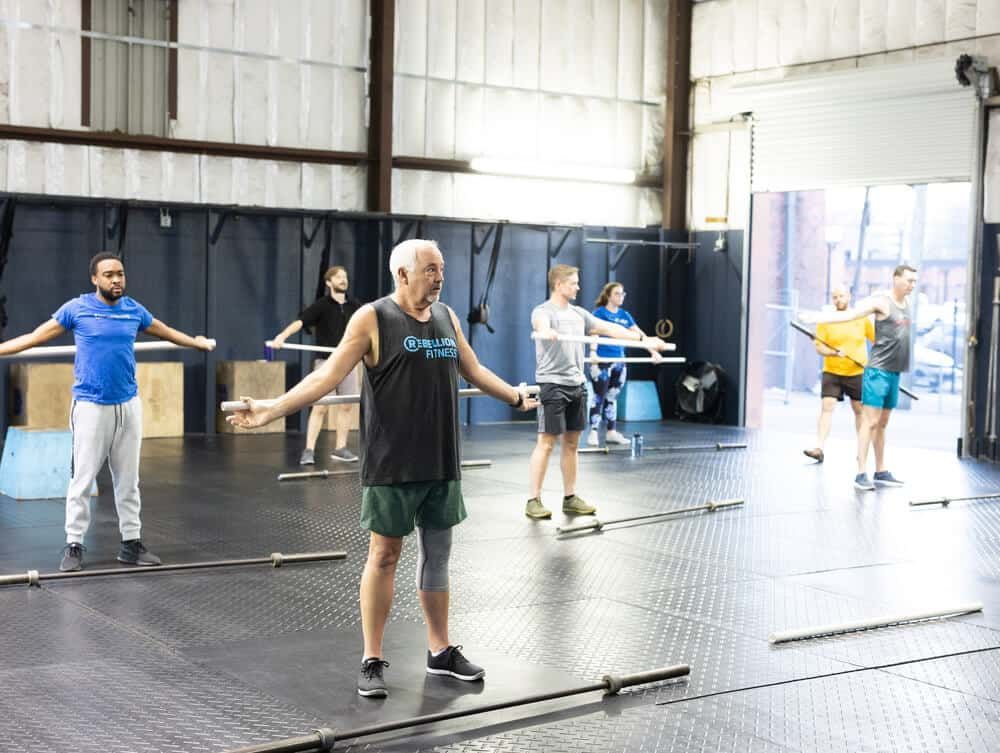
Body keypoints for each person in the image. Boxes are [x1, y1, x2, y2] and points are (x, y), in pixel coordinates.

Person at [227, 239, 537, 699]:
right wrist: (271, 410)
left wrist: (513, 395)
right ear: (403, 274)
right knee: (384, 557)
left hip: (441, 461)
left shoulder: (448, 318)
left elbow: (473, 369)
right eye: (430, 269)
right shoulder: (372, 318)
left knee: (438, 558)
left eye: (441, 268)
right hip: (392, 463)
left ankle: (440, 651)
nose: (439, 277)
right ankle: (372, 658)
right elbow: (326, 377)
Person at [0, 252, 215, 572]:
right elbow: (33, 338)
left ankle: (131, 543)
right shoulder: (77, 309)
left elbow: (166, 330)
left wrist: (195, 343)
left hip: (128, 405)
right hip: (90, 406)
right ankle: (74, 544)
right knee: (82, 479)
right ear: (95, 279)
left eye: (120, 274)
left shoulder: (133, 310)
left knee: (129, 480)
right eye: (109, 275)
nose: (116, 280)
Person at [527, 265, 670, 520]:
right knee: (546, 444)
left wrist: (644, 341)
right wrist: (545, 332)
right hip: (553, 384)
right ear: (559, 285)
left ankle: (570, 498)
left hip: (577, 384)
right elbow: (540, 324)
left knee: (571, 444)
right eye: (573, 283)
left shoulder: (580, 314)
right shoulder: (543, 311)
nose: (578, 287)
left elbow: (609, 330)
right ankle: (533, 500)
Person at [800, 264, 917, 491]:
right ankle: (861, 472)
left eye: (914, 281)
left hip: (892, 372)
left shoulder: (907, 303)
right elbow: (849, 315)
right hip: (875, 372)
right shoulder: (881, 302)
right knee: (868, 421)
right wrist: (816, 317)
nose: (913, 285)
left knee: (882, 424)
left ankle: (881, 470)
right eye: (909, 280)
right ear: (896, 279)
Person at [271, 266, 363, 465]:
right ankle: (309, 450)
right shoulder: (322, 305)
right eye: (338, 277)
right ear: (328, 282)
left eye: (345, 277)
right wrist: (282, 336)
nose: (343, 280)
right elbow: (300, 322)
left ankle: (340, 448)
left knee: (347, 406)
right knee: (320, 407)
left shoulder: (355, 306)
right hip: (326, 363)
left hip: (349, 363)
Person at [802, 285, 874, 463]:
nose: (838, 300)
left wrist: (876, 364)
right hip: (832, 371)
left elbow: (877, 341)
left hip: (856, 371)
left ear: (849, 296)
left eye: (841, 296)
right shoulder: (826, 320)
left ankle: (862, 451)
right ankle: (819, 448)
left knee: (859, 411)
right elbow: (819, 346)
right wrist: (833, 352)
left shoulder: (861, 319)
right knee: (827, 406)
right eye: (835, 297)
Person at [587, 282, 659, 447]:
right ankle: (593, 432)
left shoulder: (625, 315)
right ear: (609, 296)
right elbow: (594, 333)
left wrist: (653, 351)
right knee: (599, 397)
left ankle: (611, 432)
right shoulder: (599, 313)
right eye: (617, 294)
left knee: (612, 397)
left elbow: (640, 335)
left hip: (620, 361)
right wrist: (592, 352)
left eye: (623, 294)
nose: (621, 297)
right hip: (602, 360)